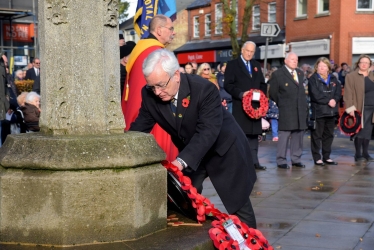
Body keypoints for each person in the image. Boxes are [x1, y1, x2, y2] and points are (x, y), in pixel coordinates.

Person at [129, 49, 257, 228]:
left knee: (238, 205)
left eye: (161, 85)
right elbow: (140, 128)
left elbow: (208, 132)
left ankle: (251, 244)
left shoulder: (204, 89)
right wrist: (124, 149)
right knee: (184, 200)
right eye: (152, 87)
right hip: (192, 152)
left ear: (176, 75)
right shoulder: (149, 94)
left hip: (223, 149)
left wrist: (180, 162)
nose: (157, 92)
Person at [122, 14, 178, 161]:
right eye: (171, 28)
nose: (174, 32)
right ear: (159, 30)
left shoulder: (141, 48)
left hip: (137, 116)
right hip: (153, 119)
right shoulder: (156, 53)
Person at [224, 41, 267, 170]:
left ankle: (254, 161)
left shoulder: (255, 65)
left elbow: (262, 83)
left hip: (255, 106)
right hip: (240, 105)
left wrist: (262, 95)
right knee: (242, 134)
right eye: (247, 51)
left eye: (252, 51)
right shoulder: (233, 65)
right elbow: (228, 85)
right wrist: (241, 94)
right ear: (242, 50)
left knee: (254, 135)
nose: (249, 53)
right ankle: (241, 161)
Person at [268, 52, 308, 169]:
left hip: (299, 109)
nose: (295, 61)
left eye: (296, 59)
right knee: (284, 135)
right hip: (286, 109)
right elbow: (273, 92)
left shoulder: (300, 73)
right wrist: (282, 104)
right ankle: (281, 160)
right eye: (292, 59)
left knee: (298, 135)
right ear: (285, 61)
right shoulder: (278, 74)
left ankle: (296, 159)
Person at [308, 57, 342, 166]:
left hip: (331, 112)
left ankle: (327, 156)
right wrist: (328, 101)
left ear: (328, 68)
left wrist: (335, 100)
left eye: (324, 66)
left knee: (328, 135)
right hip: (319, 112)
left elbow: (338, 92)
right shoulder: (313, 79)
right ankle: (317, 158)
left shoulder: (333, 79)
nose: (322, 68)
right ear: (316, 67)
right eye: (320, 66)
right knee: (317, 136)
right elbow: (315, 95)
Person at [344, 55, 374, 161]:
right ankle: (358, 154)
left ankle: (365, 153)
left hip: (372, 108)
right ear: (358, 63)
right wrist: (350, 108)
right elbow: (348, 94)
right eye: (362, 62)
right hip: (359, 108)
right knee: (359, 131)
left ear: (370, 65)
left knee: (367, 131)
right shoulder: (351, 76)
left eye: (367, 62)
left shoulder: (372, 76)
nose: (364, 64)